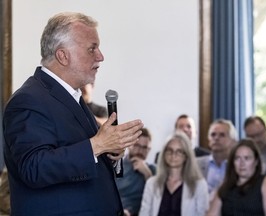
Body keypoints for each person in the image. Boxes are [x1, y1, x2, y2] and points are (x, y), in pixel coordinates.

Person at [3, 12, 143, 216]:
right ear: (63, 55)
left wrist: (109, 153)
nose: (100, 56)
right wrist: (98, 145)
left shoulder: (73, 97)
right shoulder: (28, 100)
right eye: (92, 48)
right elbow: (34, 168)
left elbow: (80, 155)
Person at [139, 131, 209, 216]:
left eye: (179, 151)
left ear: (186, 155)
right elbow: (144, 213)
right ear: (163, 154)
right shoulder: (151, 184)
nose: (173, 155)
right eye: (169, 150)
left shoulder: (199, 185)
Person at [207, 138, 266, 216]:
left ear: (256, 161)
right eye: (237, 158)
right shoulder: (225, 185)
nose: (242, 163)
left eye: (247, 158)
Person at [116, 128, 156, 216]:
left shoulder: (153, 170)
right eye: (137, 145)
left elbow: (158, 199)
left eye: (145, 147)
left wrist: (147, 174)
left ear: (149, 150)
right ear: (129, 145)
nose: (140, 151)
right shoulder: (116, 166)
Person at [197, 119, 237, 200]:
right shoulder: (195, 164)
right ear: (208, 140)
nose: (216, 138)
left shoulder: (237, 165)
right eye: (213, 135)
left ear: (233, 141)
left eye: (222, 135)